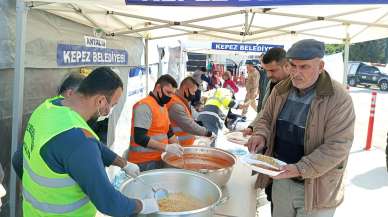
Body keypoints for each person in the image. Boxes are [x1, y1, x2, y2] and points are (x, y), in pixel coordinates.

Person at [19, 67, 159, 216]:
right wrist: (143, 205)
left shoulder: (49, 107)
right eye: (112, 105)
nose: (110, 110)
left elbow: (18, 158)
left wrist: (122, 163)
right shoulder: (80, 143)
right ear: (100, 100)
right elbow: (109, 202)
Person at [245, 39, 355, 217]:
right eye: (293, 66)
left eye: (304, 67)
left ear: (320, 66)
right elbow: (265, 117)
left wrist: (301, 168)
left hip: (318, 186)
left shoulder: (339, 98)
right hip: (282, 179)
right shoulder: (281, 89)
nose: (296, 73)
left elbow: (338, 145)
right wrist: (260, 134)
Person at [12, 72, 86, 180]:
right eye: (84, 96)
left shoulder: (47, 107)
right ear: (70, 93)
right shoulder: (64, 120)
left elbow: (18, 159)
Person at [242, 47, 289, 215]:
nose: (268, 75)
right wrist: (254, 128)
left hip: (293, 166)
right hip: (274, 150)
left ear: (287, 66)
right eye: (266, 70)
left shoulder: (298, 87)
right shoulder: (272, 83)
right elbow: (265, 112)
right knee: (273, 195)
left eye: (273, 70)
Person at [127, 74, 182, 171]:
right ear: (158, 87)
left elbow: (169, 132)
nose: (170, 97)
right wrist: (166, 147)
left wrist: (179, 150)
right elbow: (140, 138)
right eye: (168, 92)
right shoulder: (144, 106)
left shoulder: (162, 106)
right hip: (143, 163)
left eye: (172, 94)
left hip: (158, 159)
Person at [166, 77, 216, 146]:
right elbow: (189, 125)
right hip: (178, 146)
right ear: (185, 89)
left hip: (185, 145)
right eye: (193, 92)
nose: (194, 95)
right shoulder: (175, 105)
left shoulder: (183, 101)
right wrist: (207, 133)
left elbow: (191, 116)